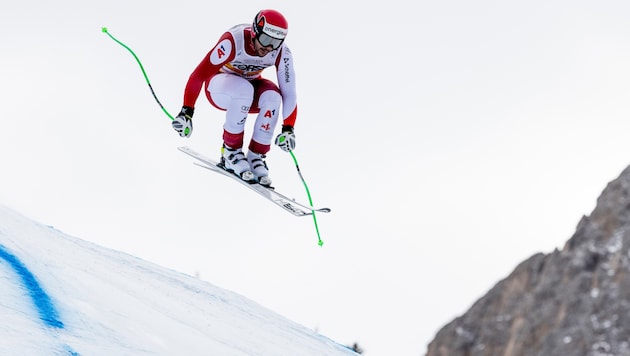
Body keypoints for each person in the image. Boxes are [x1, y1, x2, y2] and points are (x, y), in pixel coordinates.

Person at [172, 9, 297, 187]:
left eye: (276, 42)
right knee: (243, 90)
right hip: (218, 88)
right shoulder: (234, 42)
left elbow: (290, 92)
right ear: (255, 30)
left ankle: (256, 156)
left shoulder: (281, 53)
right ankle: (231, 151)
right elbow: (198, 75)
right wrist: (187, 112)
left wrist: (288, 129)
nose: (268, 47)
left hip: (250, 88)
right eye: (266, 40)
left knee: (273, 97)